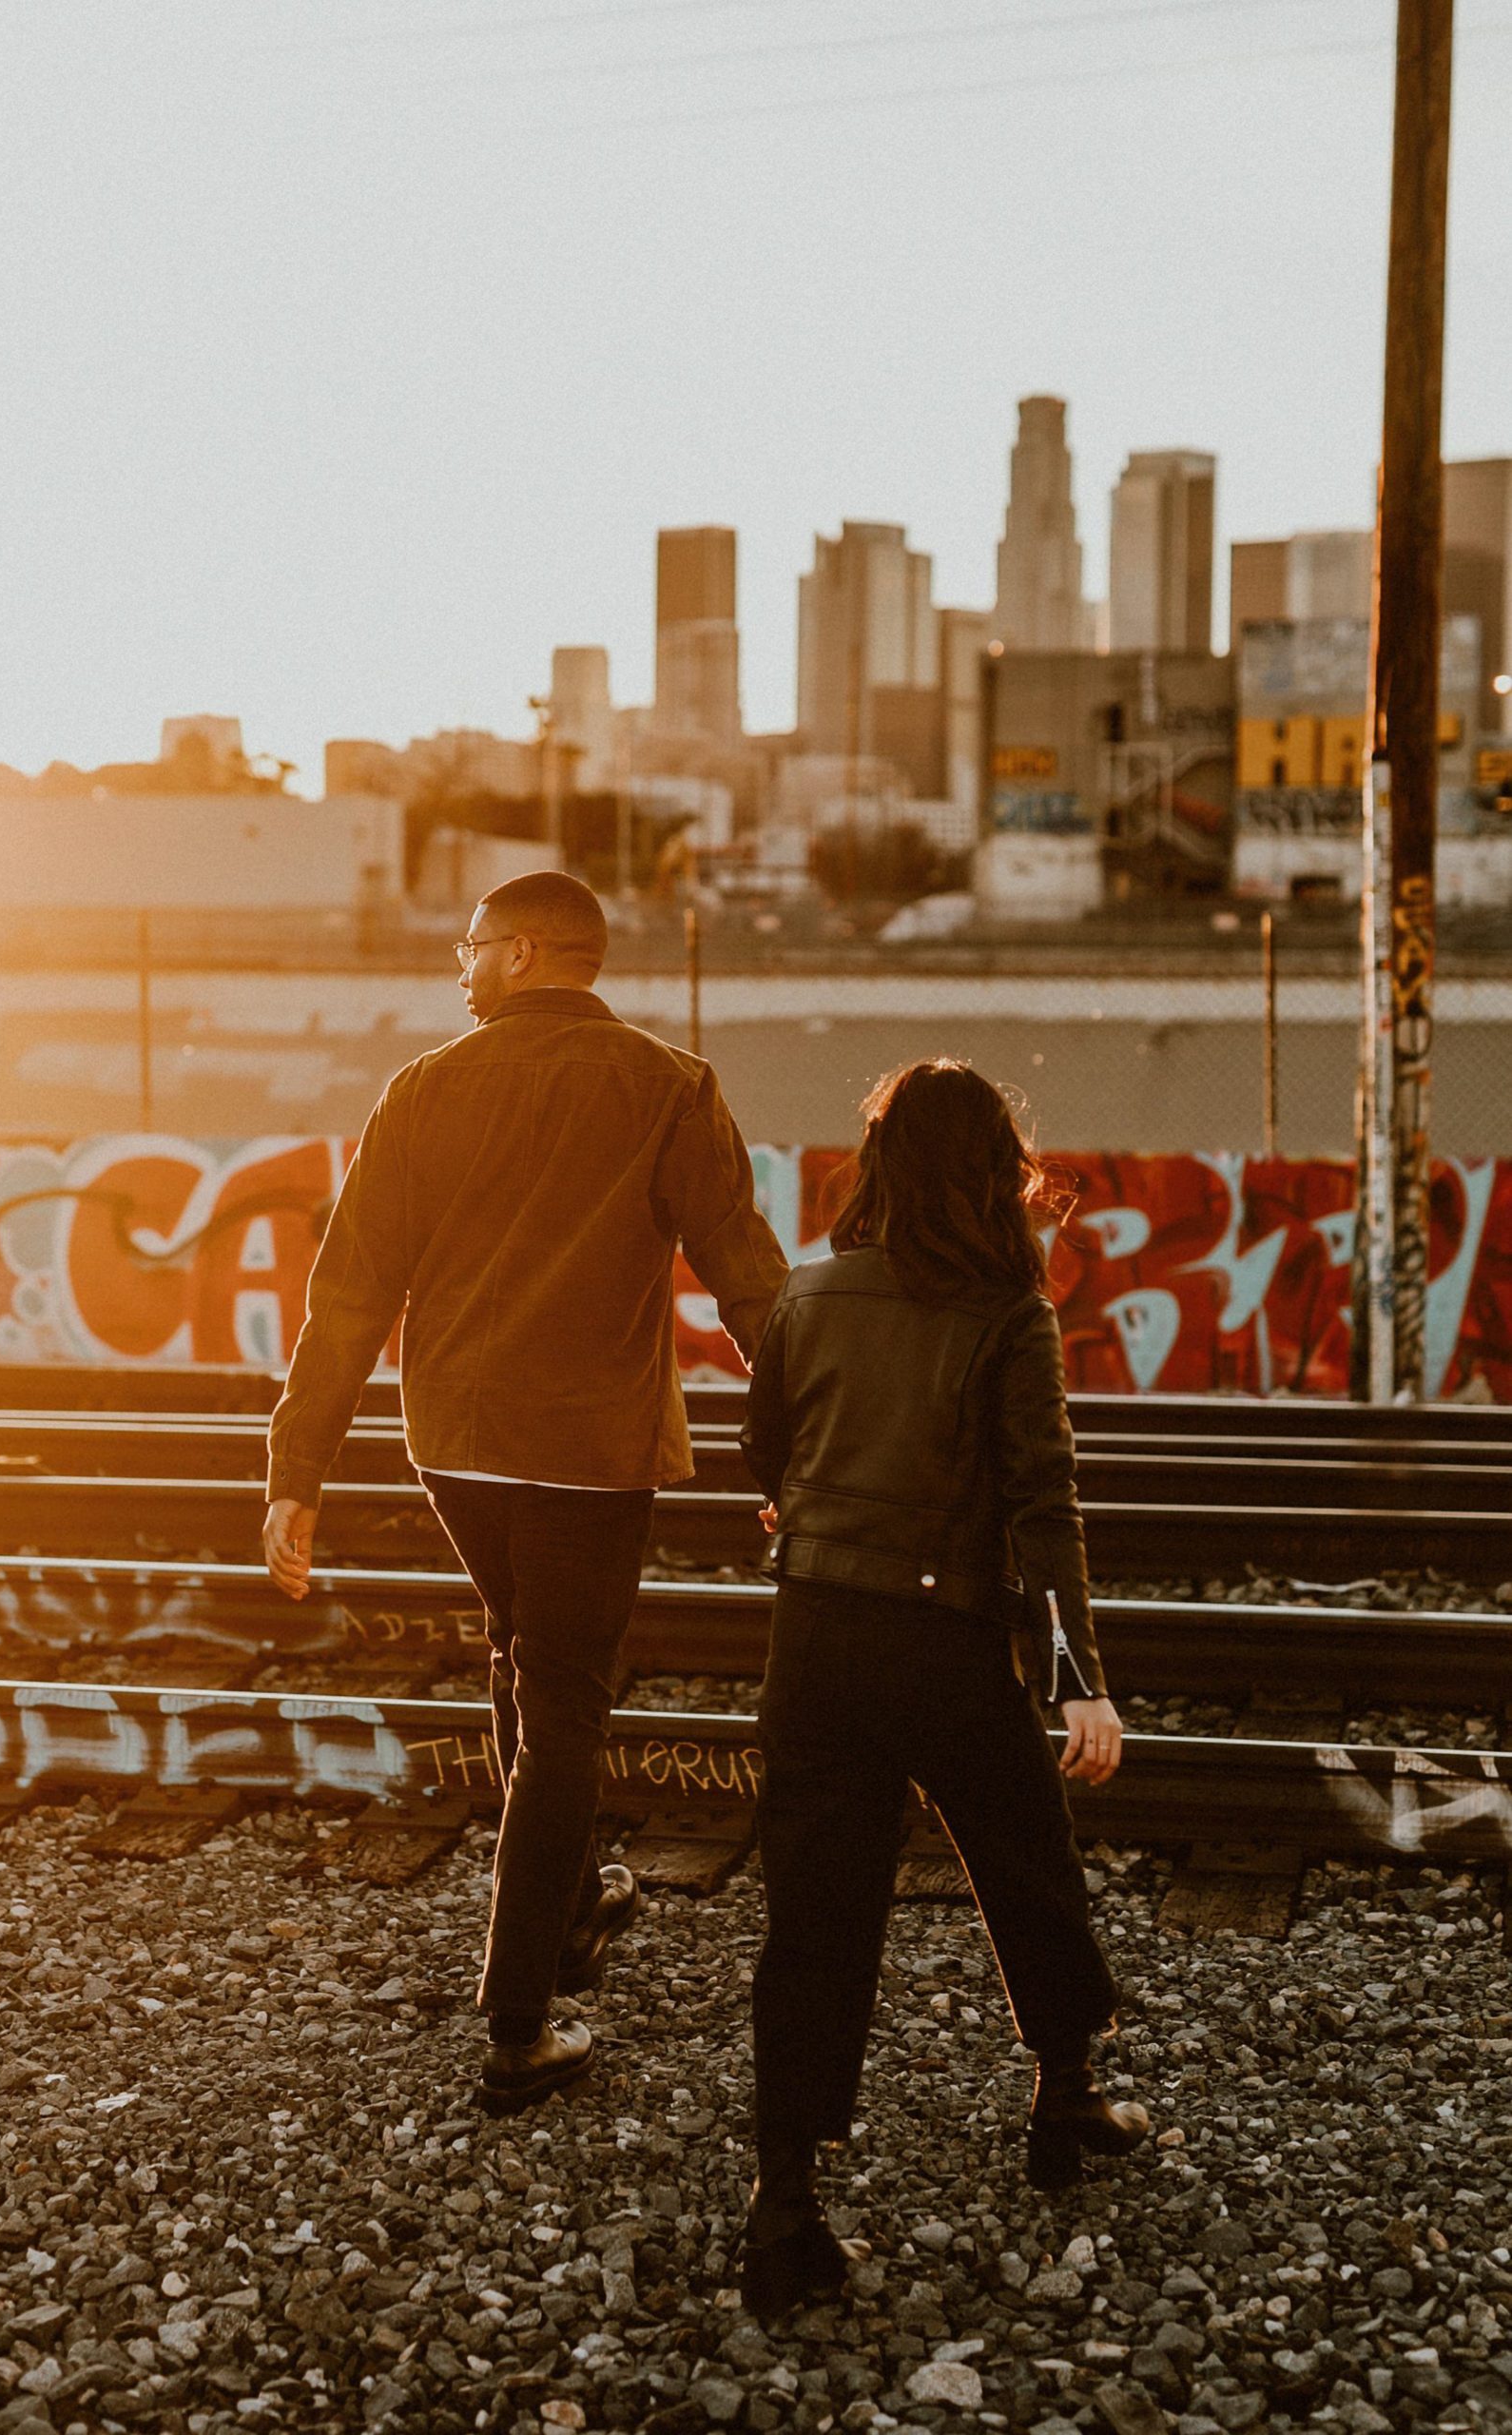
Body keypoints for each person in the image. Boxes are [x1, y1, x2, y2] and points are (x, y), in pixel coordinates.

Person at [262, 870, 788, 2115]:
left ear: (527, 952)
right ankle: (518, 2019)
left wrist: (298, 1469)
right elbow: (749, 1280)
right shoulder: (669, 1085)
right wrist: (807, 1442)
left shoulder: (423, 1089)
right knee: (563, 1704)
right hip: (588, 1449)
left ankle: (572, 1904)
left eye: (472, 944)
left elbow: (349, 1295)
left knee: (524, 1660)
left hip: (454, 1442)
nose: (460, 964)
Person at [738, 1059, 1150, 2320]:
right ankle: (1067, 2097)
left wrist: (814, 1513)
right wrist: (1077, 1683)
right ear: (991, 1172)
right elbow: (1042, 1506)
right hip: (948, 1645)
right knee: (1027, 1857)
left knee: (814, 1915)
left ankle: (785, 2206)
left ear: (878, 1169)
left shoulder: (805, 1295)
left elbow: (763, 1453)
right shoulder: (1007, 1312)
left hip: (815, 1640)